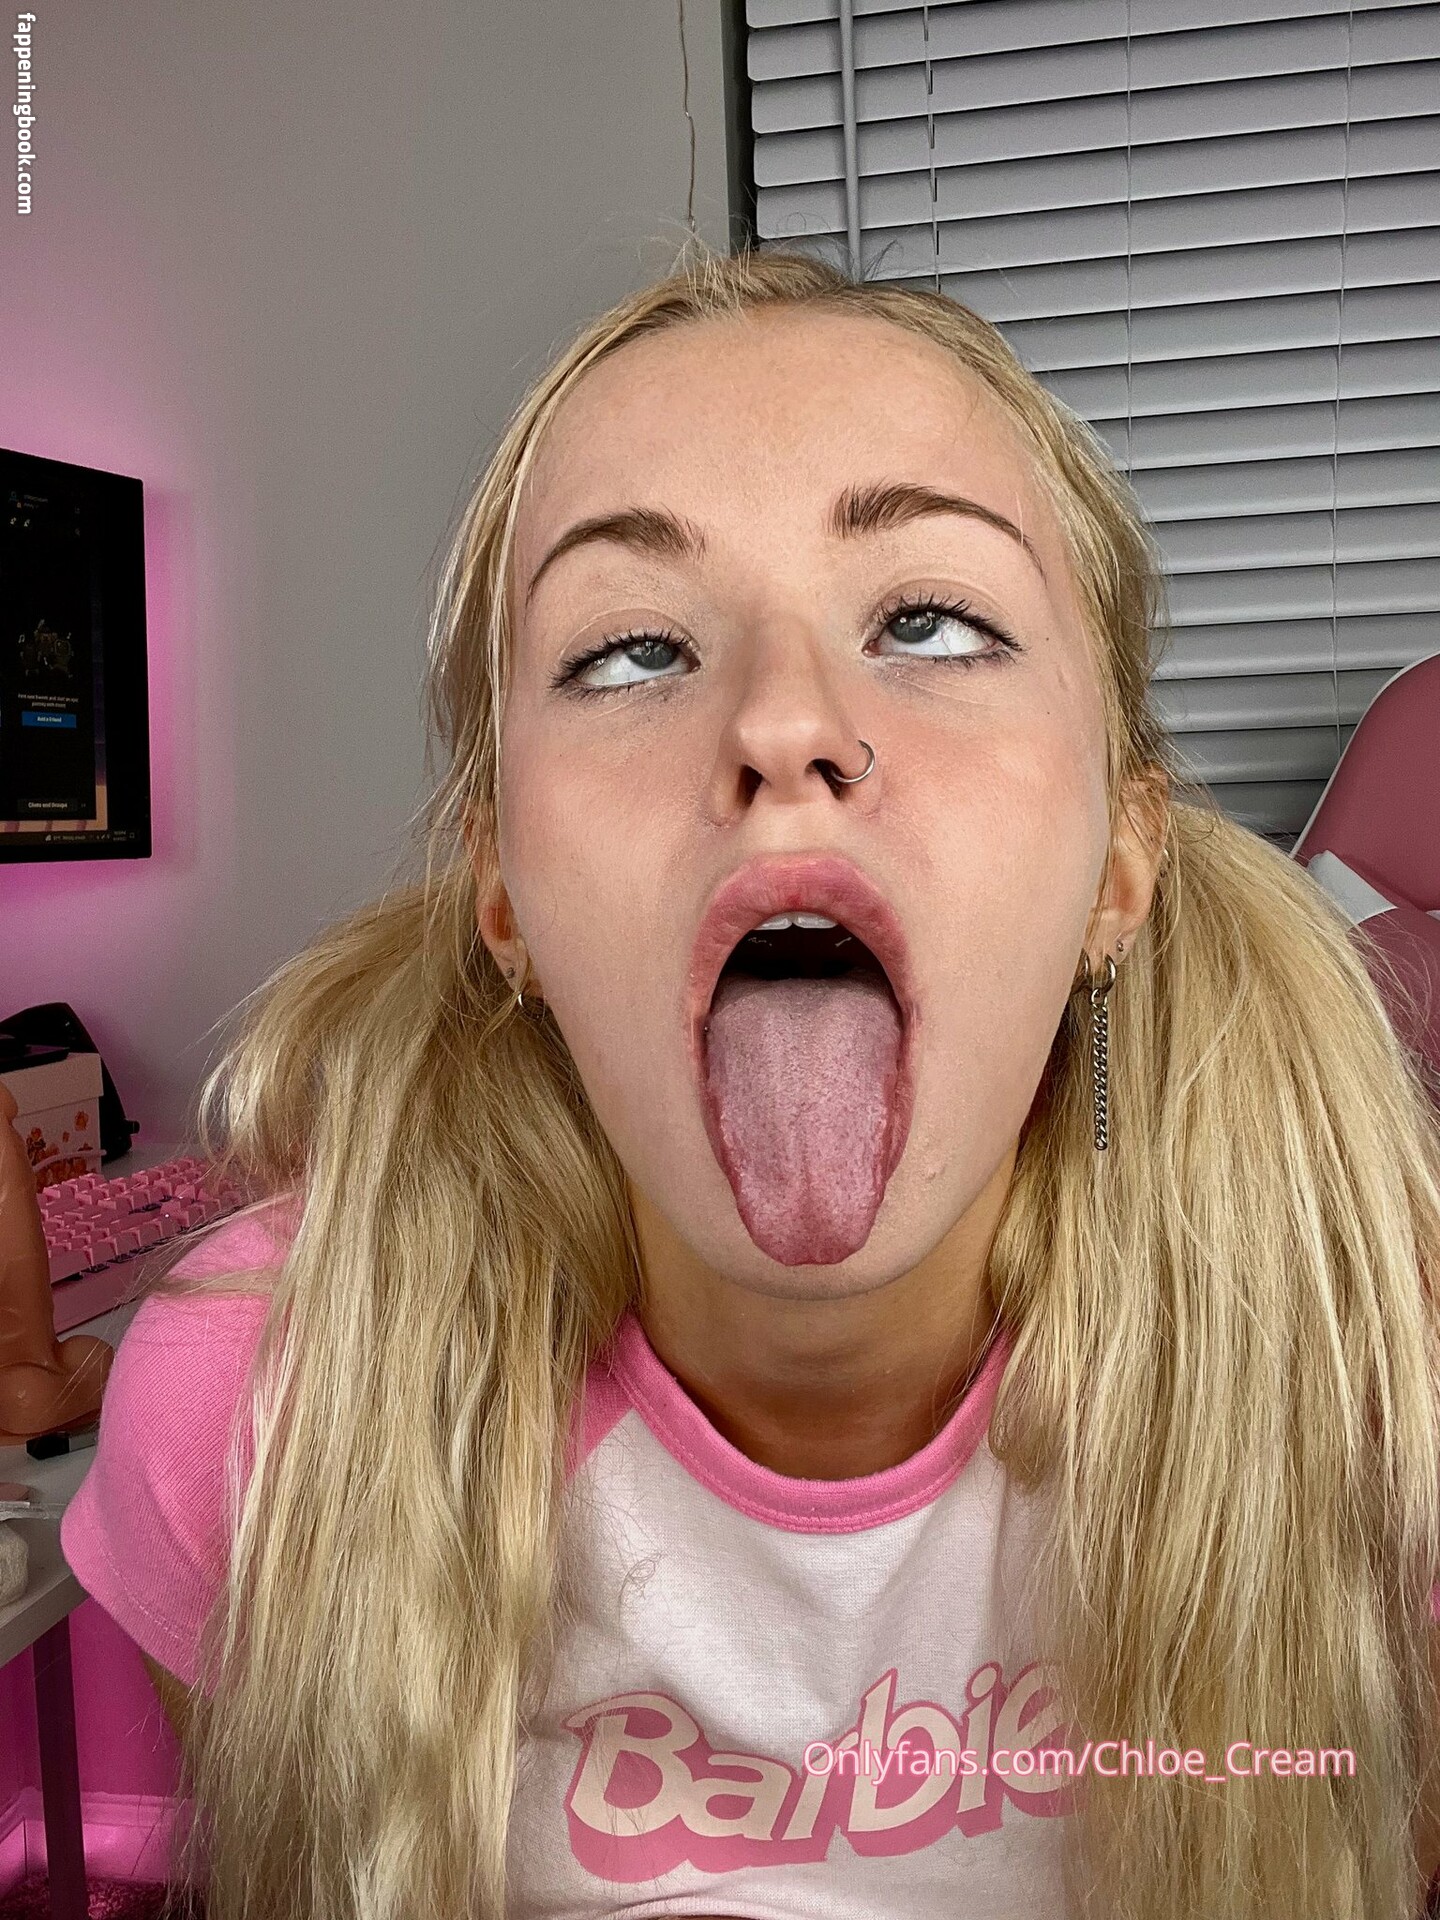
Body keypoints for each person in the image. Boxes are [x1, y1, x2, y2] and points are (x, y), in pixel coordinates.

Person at [59, 246, 1440, 1920]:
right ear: (503, 895)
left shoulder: (1387, 1404)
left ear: (1121, 862)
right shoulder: (259, 1417)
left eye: (930, 622)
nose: (785, 722)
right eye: (634, 651)